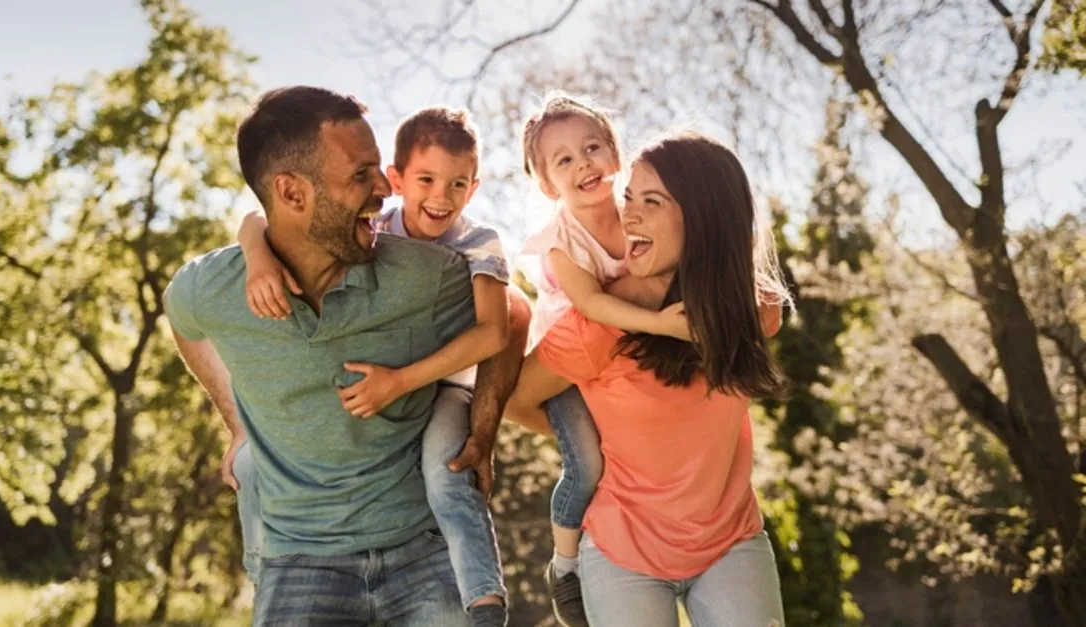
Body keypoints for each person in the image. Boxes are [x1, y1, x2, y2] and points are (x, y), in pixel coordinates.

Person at [165, 86, 519, 626]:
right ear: (291, 192)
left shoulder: (427, 274)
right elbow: (182, 317)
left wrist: (483, 431)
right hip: (298, 560)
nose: (385, 189)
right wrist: (237, 423)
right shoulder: (212, 289)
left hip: (420, 550)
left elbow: (512, 319)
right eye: (361, 174)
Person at [505, 131, 790, 626]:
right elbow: (517, 402)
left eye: (651, 202)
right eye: (629, 198)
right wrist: (598, 446)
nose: (628, 215)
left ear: (703, 217)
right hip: (623, 552)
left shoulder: (755, 308)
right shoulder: (598, 325)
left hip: (732, 541)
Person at [510, 93, 690, 626]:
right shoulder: (559, 241)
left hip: (615, 357)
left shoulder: (637, 213)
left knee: (639, 451)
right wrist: (663, 323)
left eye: (592, 148)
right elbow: (591, 305)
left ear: (615, 154)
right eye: (564, 160)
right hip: (565, 366)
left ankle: (644, 549)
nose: (583, 164)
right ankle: (566, 565)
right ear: (549, 185)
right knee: (587, 463)